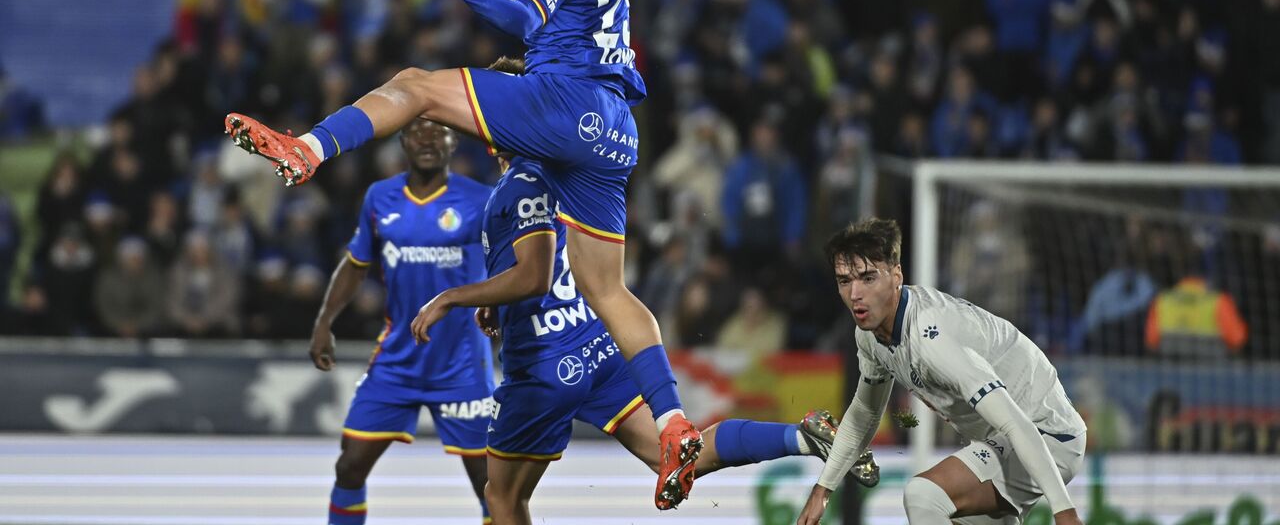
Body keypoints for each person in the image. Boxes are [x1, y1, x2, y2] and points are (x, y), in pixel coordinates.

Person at [226, 0, 702, 508]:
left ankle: (308, 149)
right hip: (614, 129)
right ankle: (674, 422)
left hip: (563, 101)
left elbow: (525, 21)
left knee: (416, 85)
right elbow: (571, 4)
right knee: (607, 290)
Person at [408, 62, 878, 523]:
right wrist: (496, 299)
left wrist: (452, 297)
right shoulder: (570, 170)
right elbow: (547, 261)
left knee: (503, 497)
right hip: (598, 344)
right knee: (679, 452)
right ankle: (802, 437)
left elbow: (535, 274)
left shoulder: (517, 186)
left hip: (546, 362)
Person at [797, 218, 1087, 525]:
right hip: (1005, 442)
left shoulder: (931, 337)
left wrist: (1064, 511)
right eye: (844, 281)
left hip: (1046, 436)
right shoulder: (869, 336)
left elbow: (1016, 422)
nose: (855, 293)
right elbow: (865, 412)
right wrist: (823, 489)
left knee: (924, 496)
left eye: (868, 278)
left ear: (896, 275)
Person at [308, 119, 494, 525]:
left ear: (454, 141)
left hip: (462, 365)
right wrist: (325, 321)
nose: (427, 139)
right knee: (349, 466)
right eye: (417, 132)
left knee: (491, 484)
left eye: (438, 132)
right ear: (402, 142)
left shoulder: (481, 200)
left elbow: (513, 264)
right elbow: (356, 264)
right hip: (397, 361)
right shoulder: (380, 197)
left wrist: (499, 307)